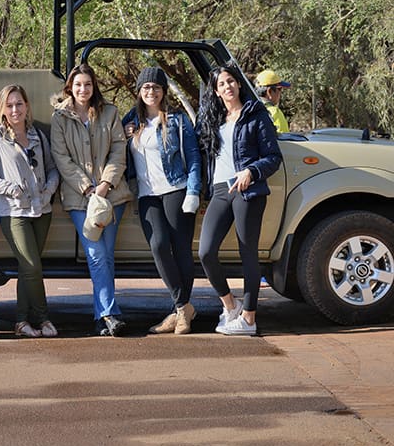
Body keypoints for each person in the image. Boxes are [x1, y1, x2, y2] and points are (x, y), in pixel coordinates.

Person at [197, 64, 282, 335]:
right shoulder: (214, 119)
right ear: (216, 91)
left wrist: (251, 171)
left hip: (247, 189)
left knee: (248, 254)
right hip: (220, 190)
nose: (228, 87)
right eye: (222, 84)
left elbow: (273, 157)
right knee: (206, 252)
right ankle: (230, 305)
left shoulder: (256, 115)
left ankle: (248, 319)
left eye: (231, 81)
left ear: (239, 84)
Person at [50, 63, 132, 336]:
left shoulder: (109, 113)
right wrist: (87, 188)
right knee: (96, 255)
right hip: (79, 198)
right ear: (69, 89)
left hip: (112, 195)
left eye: (87, 84)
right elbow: (62, 158)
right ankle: (109, 313)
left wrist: (106, 184)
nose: (83, 89)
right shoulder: (60, 118)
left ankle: (104, 317)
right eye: (77, 85)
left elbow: (119, 149)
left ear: (94, 86)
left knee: (106, 255)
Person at [123, 67, 202, 335]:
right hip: (147, 194)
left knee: (180, 250)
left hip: (176, 190)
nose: (151, 92)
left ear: (163, 91)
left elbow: (193, 158)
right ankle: (184, 308)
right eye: (146, 87)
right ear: (139, 91)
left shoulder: (178, 122)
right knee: (158, 245)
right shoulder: (131, 122)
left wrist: (193, 191)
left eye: (156, 87)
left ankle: (180, 311)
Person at [0, 85, 60, 338]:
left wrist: (48, 190)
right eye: (9, 105)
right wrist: (8, 188)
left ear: (27, 106)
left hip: (42, 210)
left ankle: (22, 322)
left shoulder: (38, 136)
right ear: (2, 110)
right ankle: (44, 318)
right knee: (31, 266)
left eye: (19, 104)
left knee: (29, 270)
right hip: (14, 212)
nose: (15, 110)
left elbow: (53, 169)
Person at [254, 69, 290, 133]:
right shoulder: (275, 112)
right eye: (279, 89)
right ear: (269, 91)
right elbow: (284, 141)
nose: (280, 93)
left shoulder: (249, 111)